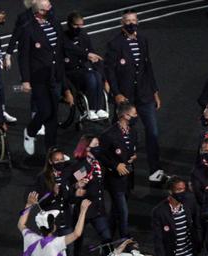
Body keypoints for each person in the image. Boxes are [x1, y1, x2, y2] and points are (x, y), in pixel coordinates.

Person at [105, 9, 164, 183]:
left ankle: (155, 170)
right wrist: (117, 94)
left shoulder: (143, 40)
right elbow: (109, 71)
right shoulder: (115, 44)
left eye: (134, 20)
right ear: (122, 23)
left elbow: (148, 67)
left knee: (152, 133)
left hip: (145, 95)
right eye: (127, 20)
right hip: (126, 98)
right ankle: (119, 167)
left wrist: (155, 92)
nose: (131, 23)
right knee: (122, 135)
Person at [17, 0, 71, 156]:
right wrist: (25, 80)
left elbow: (63, 46)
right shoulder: (28, 30)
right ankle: (30, 131)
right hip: (38, 77)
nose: (51, 7)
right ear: (39, 11)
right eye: (47, 6)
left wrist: (85, 53)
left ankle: (52, 152)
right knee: (46, 111)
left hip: (54, 76)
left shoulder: (54, 24)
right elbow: (23, 57)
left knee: (53, 116)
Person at [98, 101, 138, 239]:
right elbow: (100, 154)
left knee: (115, 212)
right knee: (123, 212)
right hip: (115, 179)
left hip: (128, 177)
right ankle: (125, 241)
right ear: (125, 115)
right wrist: (115, 165)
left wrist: (133, 156)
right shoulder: (108, 134)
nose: (136, 116)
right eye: (134, 114)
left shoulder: (133, 131)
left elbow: (132, 149)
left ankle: (107, 241)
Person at [62, 12, 107, 121]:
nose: (79, 28)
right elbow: (72, 50)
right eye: (76, 25)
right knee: (91, 77)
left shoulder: (84, 36)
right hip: (68, 72)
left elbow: (93, 55)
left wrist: (105, 79)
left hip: (82, 70)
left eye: (81, 25)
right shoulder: (62, 38)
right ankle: (90, 110)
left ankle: (99, 108)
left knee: (96, 74)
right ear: (69, 24)